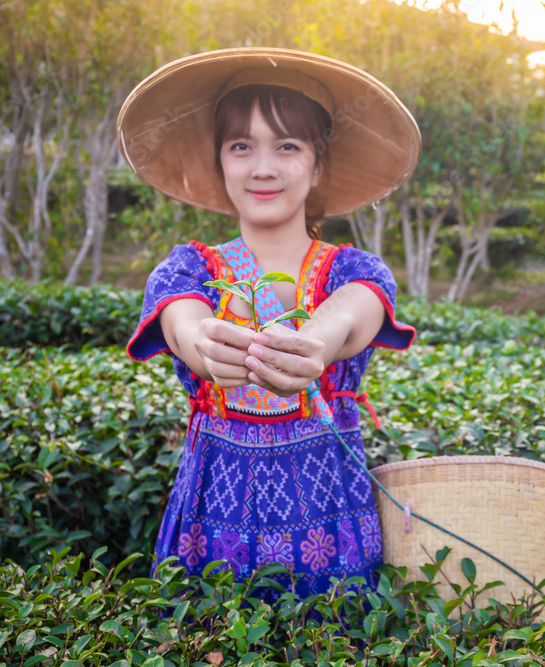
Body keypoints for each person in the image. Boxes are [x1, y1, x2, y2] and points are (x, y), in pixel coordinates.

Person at [118, 48, 421, 621]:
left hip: (334, 536)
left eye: (287, 146)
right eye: (242, 146)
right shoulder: (190, 271)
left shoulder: (354, 273)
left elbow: (348, 316)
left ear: (318, 164)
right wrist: (202, 342)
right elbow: (184, 324)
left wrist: (315, 345)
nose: (263, 168)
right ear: (221, 161)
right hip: (210, 539)